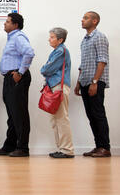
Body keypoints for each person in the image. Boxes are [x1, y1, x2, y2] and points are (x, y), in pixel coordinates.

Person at [0, 13, 34, 157]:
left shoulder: (18, 37)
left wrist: (20, 72)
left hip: (17, 78)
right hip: (10, 78)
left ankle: (23, 148)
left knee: (19, 114)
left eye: (8, 21)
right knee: (12, 114)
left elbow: (29, 53)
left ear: (15, 25)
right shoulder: (11, 38)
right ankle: (10, 146)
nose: (5, 24)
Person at [74, 11, 111, 157]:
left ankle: (105, 147)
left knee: (98, 114)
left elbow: (102, 61)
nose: (82, 20)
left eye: (86, 18)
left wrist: (95, 82)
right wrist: (78, 83)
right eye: (83, 17)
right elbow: (83, 64)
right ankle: (98, 146)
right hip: (85, 82)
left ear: (95, 21)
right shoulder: (85, 40)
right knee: (91, 116)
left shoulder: (100, 37)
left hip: (95, 82)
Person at [40, 28, 74, 158]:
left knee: (61, 118)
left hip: (59, 87)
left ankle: (67, 150)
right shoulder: (57, 51)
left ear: (60, 40)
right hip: (55, 87)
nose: (49, 39)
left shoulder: (61, 51)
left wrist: (45, 67)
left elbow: (46, 69)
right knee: (55, 120)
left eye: (52, 37)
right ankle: (61, 148)